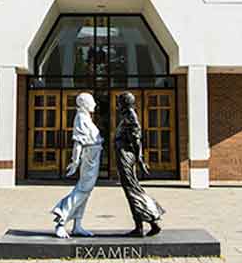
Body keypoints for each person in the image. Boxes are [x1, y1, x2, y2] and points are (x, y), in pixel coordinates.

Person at [51, 92, 103, 238]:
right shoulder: (80, 118)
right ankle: (61, 219)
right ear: (84, 103)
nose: (94, 104)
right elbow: (78, 142)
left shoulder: (86, 117)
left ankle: (77, 225)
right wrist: (75, 161)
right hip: (89, 156)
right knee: (82, 190)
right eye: (92, 101)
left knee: (86, 191)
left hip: (94, 154)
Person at [114, 91, 164, 237]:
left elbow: (136, 138)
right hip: (123, 153)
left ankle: (147, 223)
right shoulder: (127, 115)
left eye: (119, 102)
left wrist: (140, 158)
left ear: (125, 103)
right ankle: (146, 224)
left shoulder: (130, 115)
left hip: (126, 155)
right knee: (132, 189)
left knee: (132, 191)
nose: (118, 105)